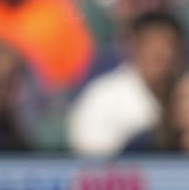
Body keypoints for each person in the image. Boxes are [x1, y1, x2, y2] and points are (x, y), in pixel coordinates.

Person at [68, 12, 184, 157]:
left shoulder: (183, 94)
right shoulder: (102, 96)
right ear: (134, 45)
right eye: (151, 44)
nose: (161, 54)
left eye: (168, 44)